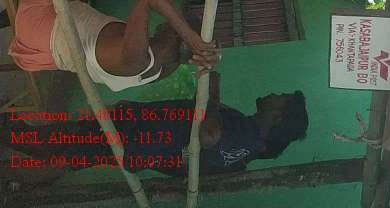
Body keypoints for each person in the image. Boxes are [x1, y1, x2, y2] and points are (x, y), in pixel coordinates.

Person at [1, 74, 308, 177]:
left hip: (140, 137)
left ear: (279, 116)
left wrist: (213, 92)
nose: (275, 93)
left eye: (281, 97)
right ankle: (12, 132)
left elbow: (208, 134)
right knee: (67, 147)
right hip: (143, 143)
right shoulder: (246, 150)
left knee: (63, 142)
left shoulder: (246, 134)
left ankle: (8, 131)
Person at [10, 0, 219, 91]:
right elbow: (181, 55)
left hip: (39, 27)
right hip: (44, 51)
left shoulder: (137, 59)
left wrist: (191, 37)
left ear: (178, 35)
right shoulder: (162, 67)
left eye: (177, 22)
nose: (170, 19)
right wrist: (205, 55)